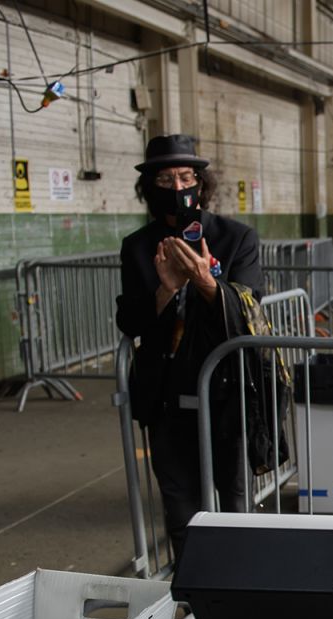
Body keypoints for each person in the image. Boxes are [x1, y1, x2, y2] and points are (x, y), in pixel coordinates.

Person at [116, 134, 262, 564]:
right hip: (166, 400)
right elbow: (131, 321)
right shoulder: (139, 247)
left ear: (201, 182)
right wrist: (166, 289)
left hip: (227, 395)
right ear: (150, 186)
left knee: (235, 505)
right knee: (182, 512)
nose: (177, 187)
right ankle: (195, 605)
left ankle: (242, 594)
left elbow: (248, 308)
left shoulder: (237, 239)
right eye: (165, 177)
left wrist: (205, 282)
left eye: (185, 176)